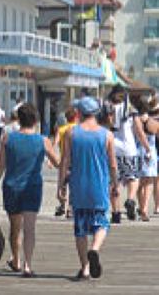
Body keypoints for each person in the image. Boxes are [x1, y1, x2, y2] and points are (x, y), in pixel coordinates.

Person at [0, 103, 59, 277]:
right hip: (32, 187)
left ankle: (16, 260)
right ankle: (27, 265)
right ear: (35, 120)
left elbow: (1, 165)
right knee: (29, 228)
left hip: (11, 186)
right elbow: (57, 162)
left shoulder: (7, 138)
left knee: (15, 227)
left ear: (19, 120)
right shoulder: (43, 140)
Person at [58, 96, 118, 280]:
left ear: (79, 113)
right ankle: (95, 248)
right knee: (102, 223)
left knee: (81, 229)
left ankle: (84, 268)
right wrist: (115, 183)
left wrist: (61, 184)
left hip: (79, 186)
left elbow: (65, 160)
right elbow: (113, 164)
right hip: (99, 185)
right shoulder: (107, 135)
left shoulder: (71, 133)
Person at [108, 85, 151, 223]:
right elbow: (139, 131)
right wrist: (147, 148)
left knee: (114, 182)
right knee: (133, 178)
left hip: (112, 149)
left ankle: (115, 214)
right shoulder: (130, 110)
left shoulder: (108, 108)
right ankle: (131, 199)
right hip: (129, 150)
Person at [134, 96, 159, 222]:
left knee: (138, 182)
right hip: (151, 153)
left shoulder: (134, 120)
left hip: (137, 152)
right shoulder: (153, 123)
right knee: (149, 182)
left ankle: (140, 206)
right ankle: (144, 208)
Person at [52, 106, 77, 217]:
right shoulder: (78, 128)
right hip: (75, 159)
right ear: (76, 117)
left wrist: (52, 157)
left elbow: (56, 142)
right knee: (73, 185)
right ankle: (71, 208)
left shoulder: (62, 129)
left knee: (62, 183)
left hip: (63, 158)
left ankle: (62, 205)